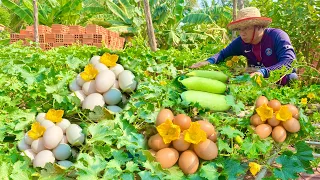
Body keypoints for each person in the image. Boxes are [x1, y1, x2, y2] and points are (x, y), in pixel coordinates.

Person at [190, 7, 298, 85]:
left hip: (278, 79)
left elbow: (289, 62)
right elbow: (223, 54)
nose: (242, 33)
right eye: (239, 29)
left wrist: (263, 72)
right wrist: (209, 61)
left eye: (246, 28)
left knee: (293, 77)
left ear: (258, 26)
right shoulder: (240, 42)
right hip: (255, 81)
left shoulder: (277, 36)